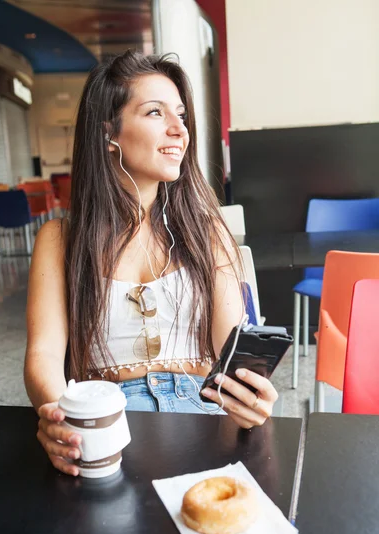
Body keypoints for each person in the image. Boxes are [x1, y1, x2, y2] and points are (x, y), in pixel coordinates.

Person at [24, 50, 278, 476]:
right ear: (109, 133)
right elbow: (44, 354)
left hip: (206, 417)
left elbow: (230, 349)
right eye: (156, 112)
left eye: (180, 114)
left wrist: (252, 395)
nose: (180, 130)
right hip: (108, 427)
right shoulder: (60, 240)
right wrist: (60, 416)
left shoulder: (207, 230)